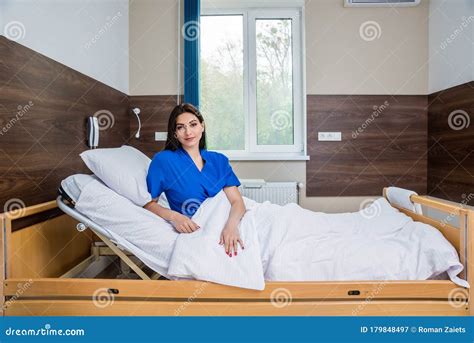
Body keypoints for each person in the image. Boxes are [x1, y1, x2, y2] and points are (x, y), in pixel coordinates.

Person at [143, 103, 246, 258]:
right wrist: (175, 217)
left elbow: (237, 202)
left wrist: (231, 227)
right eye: (180, 127)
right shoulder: (163, 161)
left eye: (193, 124)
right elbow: (150, 204)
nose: (188, 132)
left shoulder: (219, 160)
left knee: (286, 222)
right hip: (201, 225)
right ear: (175, 133)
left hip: (233, 219)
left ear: (202, 126)